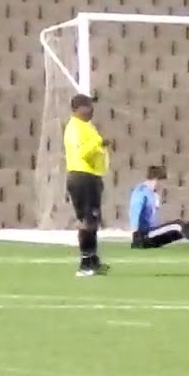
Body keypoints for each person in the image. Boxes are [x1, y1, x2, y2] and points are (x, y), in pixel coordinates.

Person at [64, 93, 111, 277]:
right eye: (88, 106)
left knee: (93, 219)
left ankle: (93, 259)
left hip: (91, 176)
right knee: (87, 220)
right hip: (81, 176)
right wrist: (99, 141)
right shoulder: (75, 127)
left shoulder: (86, 126)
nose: (92, 109)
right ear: (78, 109)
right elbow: (83, 151)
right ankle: (85, 262)